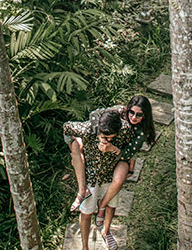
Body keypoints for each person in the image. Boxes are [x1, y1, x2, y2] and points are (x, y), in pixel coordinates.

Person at [67, 95, 156, 227]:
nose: (134, 117)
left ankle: (102, 205)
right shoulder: (119, 111)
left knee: (119, 179)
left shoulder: (141, 131)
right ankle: (83, 191)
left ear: (145, 115)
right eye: (131, 112)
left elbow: (129, 153)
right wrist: (100, 134)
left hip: (122, 155)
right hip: (104, 151)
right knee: (76, 146)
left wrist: (114, 150)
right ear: (128, 109)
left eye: (139, 115)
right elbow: (94, 115)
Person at [63, 108, 135, 250]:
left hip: (110, 175)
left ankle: (106, 232)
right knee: (86, 212)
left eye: (110, 137)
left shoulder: (125, 130)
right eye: (103, 136)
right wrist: (74, 148)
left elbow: (130, 151)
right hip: (91, 177)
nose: (106, 139)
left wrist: (115, 150)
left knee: (111, 206)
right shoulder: (87, 129)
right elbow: (66, 127)